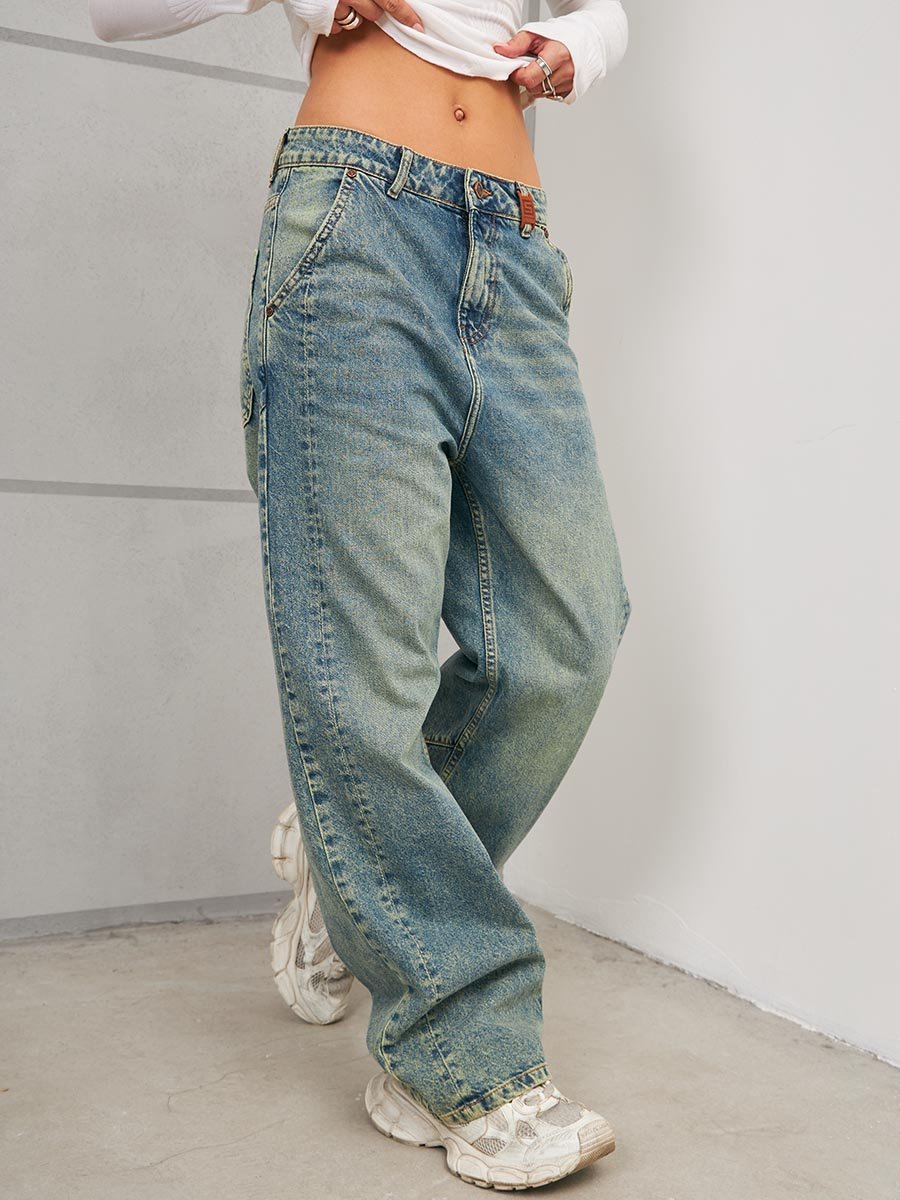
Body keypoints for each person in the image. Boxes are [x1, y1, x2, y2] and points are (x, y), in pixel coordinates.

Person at [89, 0, 632, 1188]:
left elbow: (602, 10)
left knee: (570, 636)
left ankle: (348, 875)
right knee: (365, 673)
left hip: (515, 241)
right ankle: (460, 1061)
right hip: (356, 219)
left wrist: (582, 48)